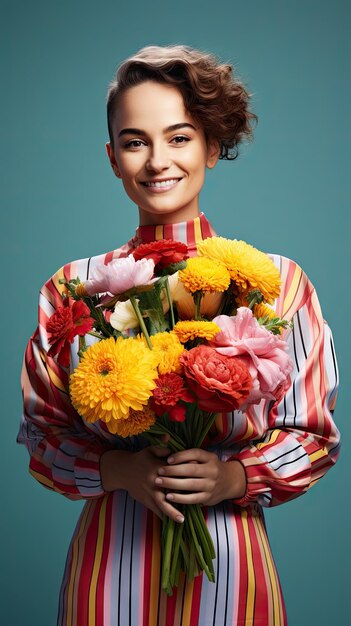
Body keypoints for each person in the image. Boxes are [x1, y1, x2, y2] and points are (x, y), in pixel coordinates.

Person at [18, 45, 340, 626]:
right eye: (135, 141)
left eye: (180, 137)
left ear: (213, 146)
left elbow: (314, 436)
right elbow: (42, 443)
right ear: (113, 158)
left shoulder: (280, 285)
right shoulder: (70, 290)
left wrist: (232, 477)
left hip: (233, 569)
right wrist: (118, 471)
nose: (156, 161)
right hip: (105, 580)